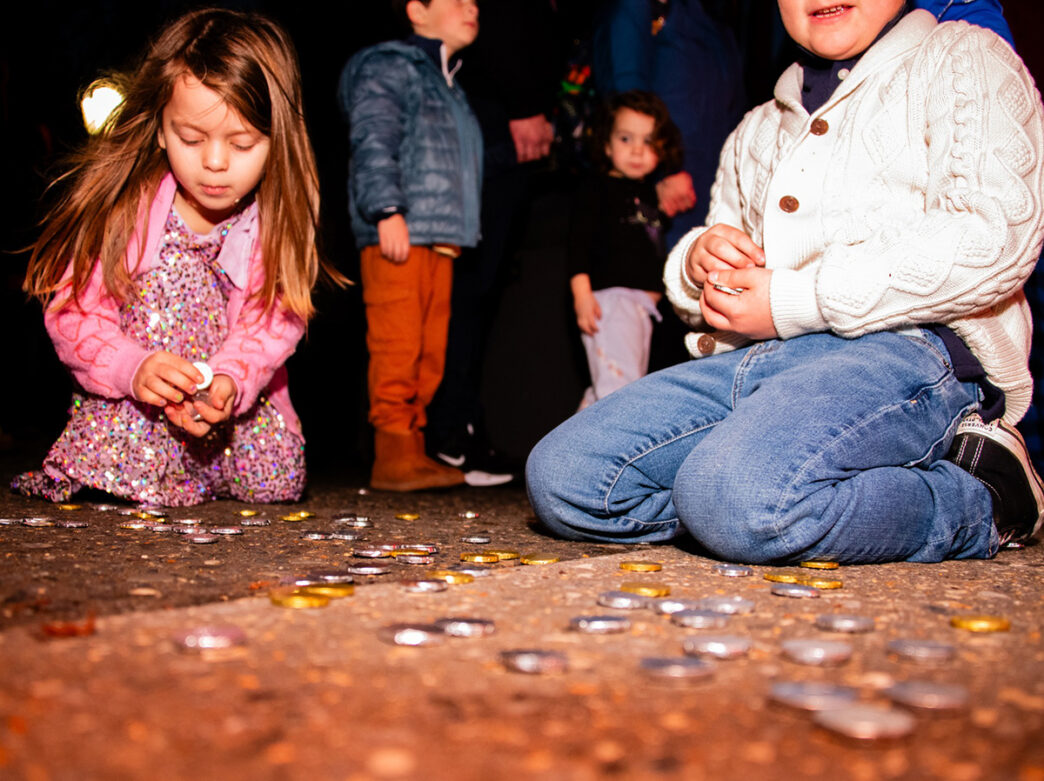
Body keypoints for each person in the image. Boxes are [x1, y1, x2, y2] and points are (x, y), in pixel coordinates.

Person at [527, 0, 1044, 563]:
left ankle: (984, 500)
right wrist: (699, 264)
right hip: (761, 358)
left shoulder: (963, 58)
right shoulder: (757, 126)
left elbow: (996, 235)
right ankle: (758, 491)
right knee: (564, 478)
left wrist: (795, 298)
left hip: (911, 351)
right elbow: (721, 260)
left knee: (740, 499)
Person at [14, 8, 341, 508]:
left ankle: (195, 469)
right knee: (118, 452)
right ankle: (156, 461)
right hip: (135, 403)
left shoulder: (272, 224)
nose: (214, 162)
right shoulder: (125, 207)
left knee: (277, 480)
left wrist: (230, 379)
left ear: (277, 142)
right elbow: (74, 313)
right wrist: (133, 367)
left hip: (228, 412)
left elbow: (270, 324)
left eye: (243, 143)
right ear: (161, 129)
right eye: (191, 138)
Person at [340, 0, 482, 492]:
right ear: (416, 11)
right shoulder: (391, 64)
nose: (472, 6)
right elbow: (374, 138)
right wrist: (387, 209)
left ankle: (412, 450)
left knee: (429, 352)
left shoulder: (448, 82)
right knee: (396, 344)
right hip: (399, 231)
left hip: (439, 236)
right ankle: (392, 452)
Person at [569, 90, 682, 408]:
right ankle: (602, 454)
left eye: (648, 141)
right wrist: (581, 295)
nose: (637, 150)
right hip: (611, 303)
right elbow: (578, 243)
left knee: (611, 388)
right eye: (625, 138)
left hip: (640, 310)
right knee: (618, 395)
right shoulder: (597, 188)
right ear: (606, 143)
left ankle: (573, 452)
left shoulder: (647, 193)